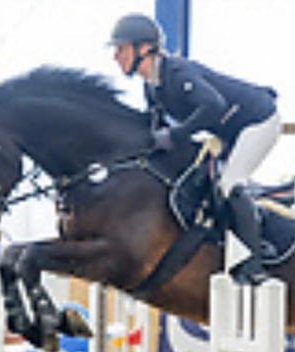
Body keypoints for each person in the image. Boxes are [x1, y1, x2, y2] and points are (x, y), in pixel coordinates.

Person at [109, 13, 282, 285]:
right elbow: (154, 132)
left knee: (229, 183)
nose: (116, 57)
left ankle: (254, 262)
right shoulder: (152, 88)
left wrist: (174, 135)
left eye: (121, 48)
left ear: (144, 49)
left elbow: (213, 107)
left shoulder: (177, 72)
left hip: (258, 121)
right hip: (230, 131)